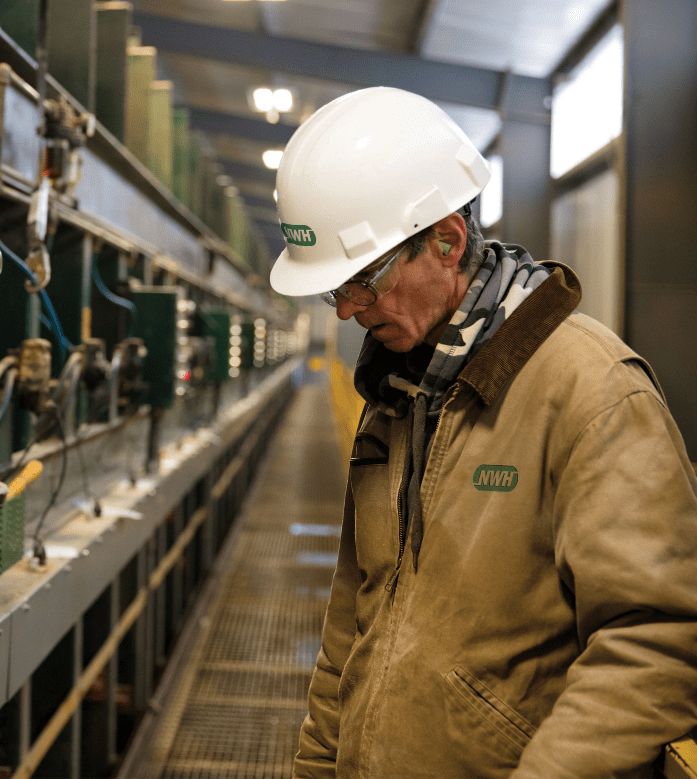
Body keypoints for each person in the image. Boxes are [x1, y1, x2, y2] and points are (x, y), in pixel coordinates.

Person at [268, 86, 697, 778]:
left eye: (363, 279)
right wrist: (318, 764)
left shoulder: (592, 394)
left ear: (447, 239)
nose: (347, 310)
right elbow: (354, 619)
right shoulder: (394, 396)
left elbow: (658, 641)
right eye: (333, 290)